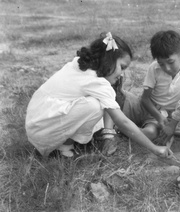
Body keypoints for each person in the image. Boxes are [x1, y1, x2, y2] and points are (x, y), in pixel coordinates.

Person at [25, 32, 171, 159]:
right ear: (109, 60)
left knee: (97, 104)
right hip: (43, 133)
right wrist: (155, 148)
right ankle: (64, 150)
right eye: (122, 67)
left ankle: (72, 142)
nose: (122, 73)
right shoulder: (98, 83)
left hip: (36, 123)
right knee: (94, 106)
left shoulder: (80, 65)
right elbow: (123, 122)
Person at [113, 30, 180, 141]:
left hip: (164, 117)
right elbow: (145, 99)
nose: (166, 68)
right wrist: (158, 116)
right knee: (115, 98)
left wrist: (163, 119)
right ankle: (122, 126)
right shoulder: (154, 68)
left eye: (170, 62)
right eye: (161, 64)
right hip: (147, 108)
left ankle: (124, 130)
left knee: (150, 133)